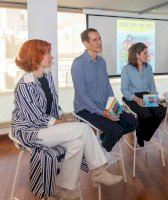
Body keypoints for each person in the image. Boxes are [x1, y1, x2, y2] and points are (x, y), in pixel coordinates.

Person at [11, 39, 122, 199]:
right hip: (30, 131)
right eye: (48, 53)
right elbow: (36, 118)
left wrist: (63, 117)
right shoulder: (24, 85)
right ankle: (98, 171)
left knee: (77, 143)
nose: (52, 57)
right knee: (83, 128)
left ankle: (65, 189)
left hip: (47, 127)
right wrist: (63, 123)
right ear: (35, 56)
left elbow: (55, 105)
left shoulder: (47, 77)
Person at [71, 28, 138, 152]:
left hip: (105, 105)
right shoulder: (78, 63)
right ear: (86, 43)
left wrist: (114, 106)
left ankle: (103, 140)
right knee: (116, 130)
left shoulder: (102, 62)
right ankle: (100, 152)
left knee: (132, 122)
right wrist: (102, 112)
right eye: (95, 40)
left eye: (100, 38)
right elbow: (81, 95)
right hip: (85, 109)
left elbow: (107, 86)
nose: (99, 42)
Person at [121, 42, 166, 147]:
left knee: (161, 110)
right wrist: (136, 99)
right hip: (131, 97)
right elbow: (124, 89)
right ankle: (140, 135)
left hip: (145, 95)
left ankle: (144, 134)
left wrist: (156, 98)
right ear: (137, 54)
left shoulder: (148, 68)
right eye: (145, 53)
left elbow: (152, 86)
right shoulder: (126, 69)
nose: (148, 55)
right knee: (145, 113)